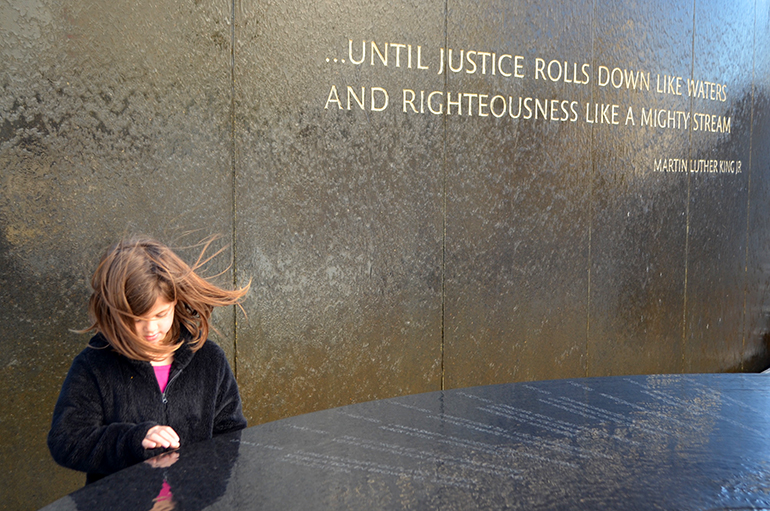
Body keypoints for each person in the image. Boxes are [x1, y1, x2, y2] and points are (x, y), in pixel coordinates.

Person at [48, 236, 250, 484]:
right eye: (136, 318)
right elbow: (66, 440)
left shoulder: (209, 359)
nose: (150, 328)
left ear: (175, 301)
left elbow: (231, 435)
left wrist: (205, 487)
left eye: (161, 314)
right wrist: (132, 440)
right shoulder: (94, 365)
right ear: (114, 312)